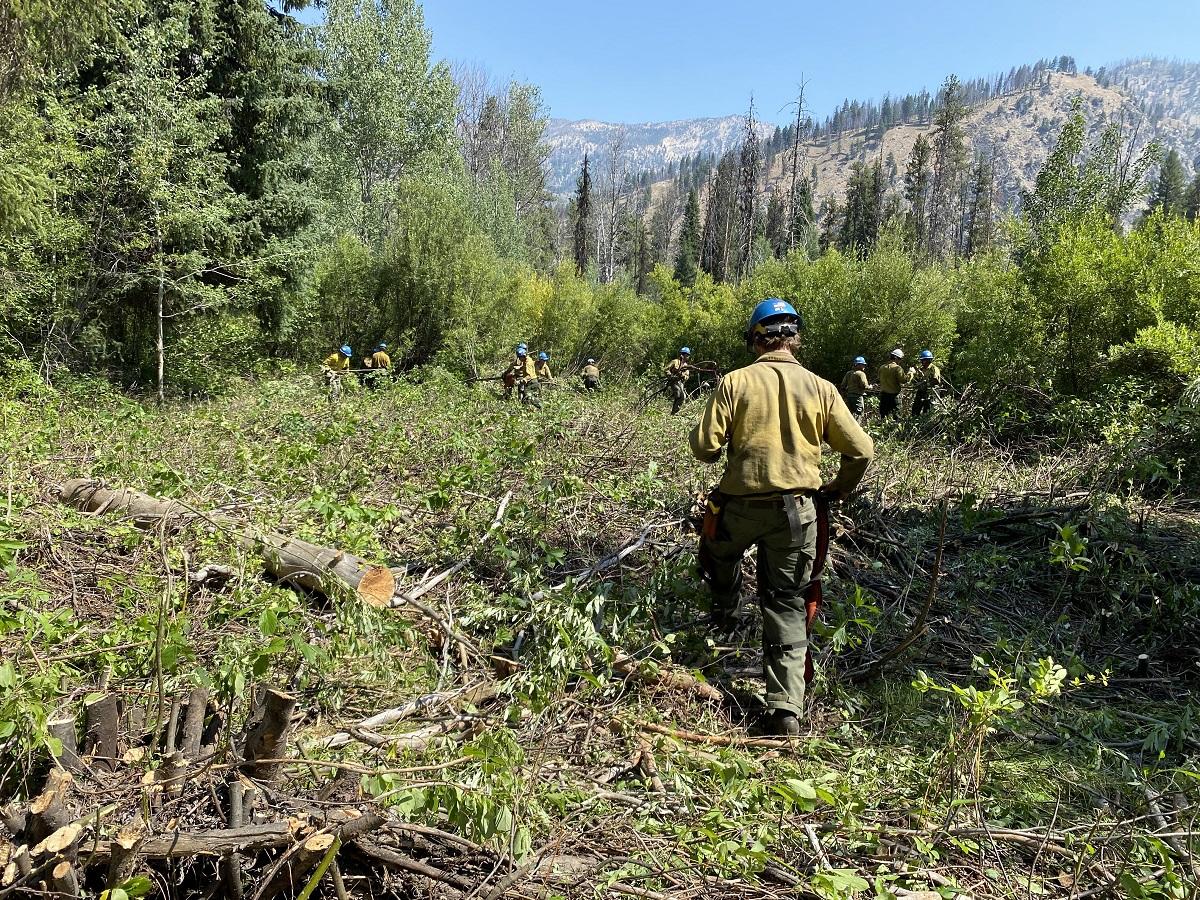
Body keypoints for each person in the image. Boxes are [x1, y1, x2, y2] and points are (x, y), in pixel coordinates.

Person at [690, 298, 873, 736]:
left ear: (755, 338)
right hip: (797, 514)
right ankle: (785, 708)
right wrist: (839, 487)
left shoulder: (734, 383)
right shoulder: (821, 387)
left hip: (738, 508)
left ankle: (724, 610)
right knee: (787, 602)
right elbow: (861, 450)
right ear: (795, 338)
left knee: (717, 555)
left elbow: (703, 449)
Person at [876, 349, 913, 419]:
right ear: (896, 358)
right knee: (896, 417)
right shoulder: (897, 368)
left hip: (884, 396)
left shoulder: (882, 367)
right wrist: (911, 373)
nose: (900, 361)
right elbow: (904, 380)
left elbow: (878, 380)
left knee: (883, 416)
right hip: (894, 397)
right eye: (900, 359)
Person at [910, 349, 942, 417]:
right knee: (915, 410)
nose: (922, 362)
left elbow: (936, 380)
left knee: (928, 411)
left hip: (931, 392)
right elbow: (916, 380)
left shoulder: (934, 368)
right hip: (921, 391)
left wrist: (926, 384)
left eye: (923, 360)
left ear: (928, 360)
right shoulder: (921, 369)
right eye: (921, 360)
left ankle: (927, 426)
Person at [665, 347, 693, 415]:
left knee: (683, 397)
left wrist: (683, 376)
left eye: (687, 355)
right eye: (685, 354)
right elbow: (666, 369)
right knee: (678, 393)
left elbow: (687, 376)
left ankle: (674, 412)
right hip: (673, 381)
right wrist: (670, 375)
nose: (686, 356)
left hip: (681, 382)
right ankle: (673, 410)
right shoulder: (675, 362)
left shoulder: (686, 366)